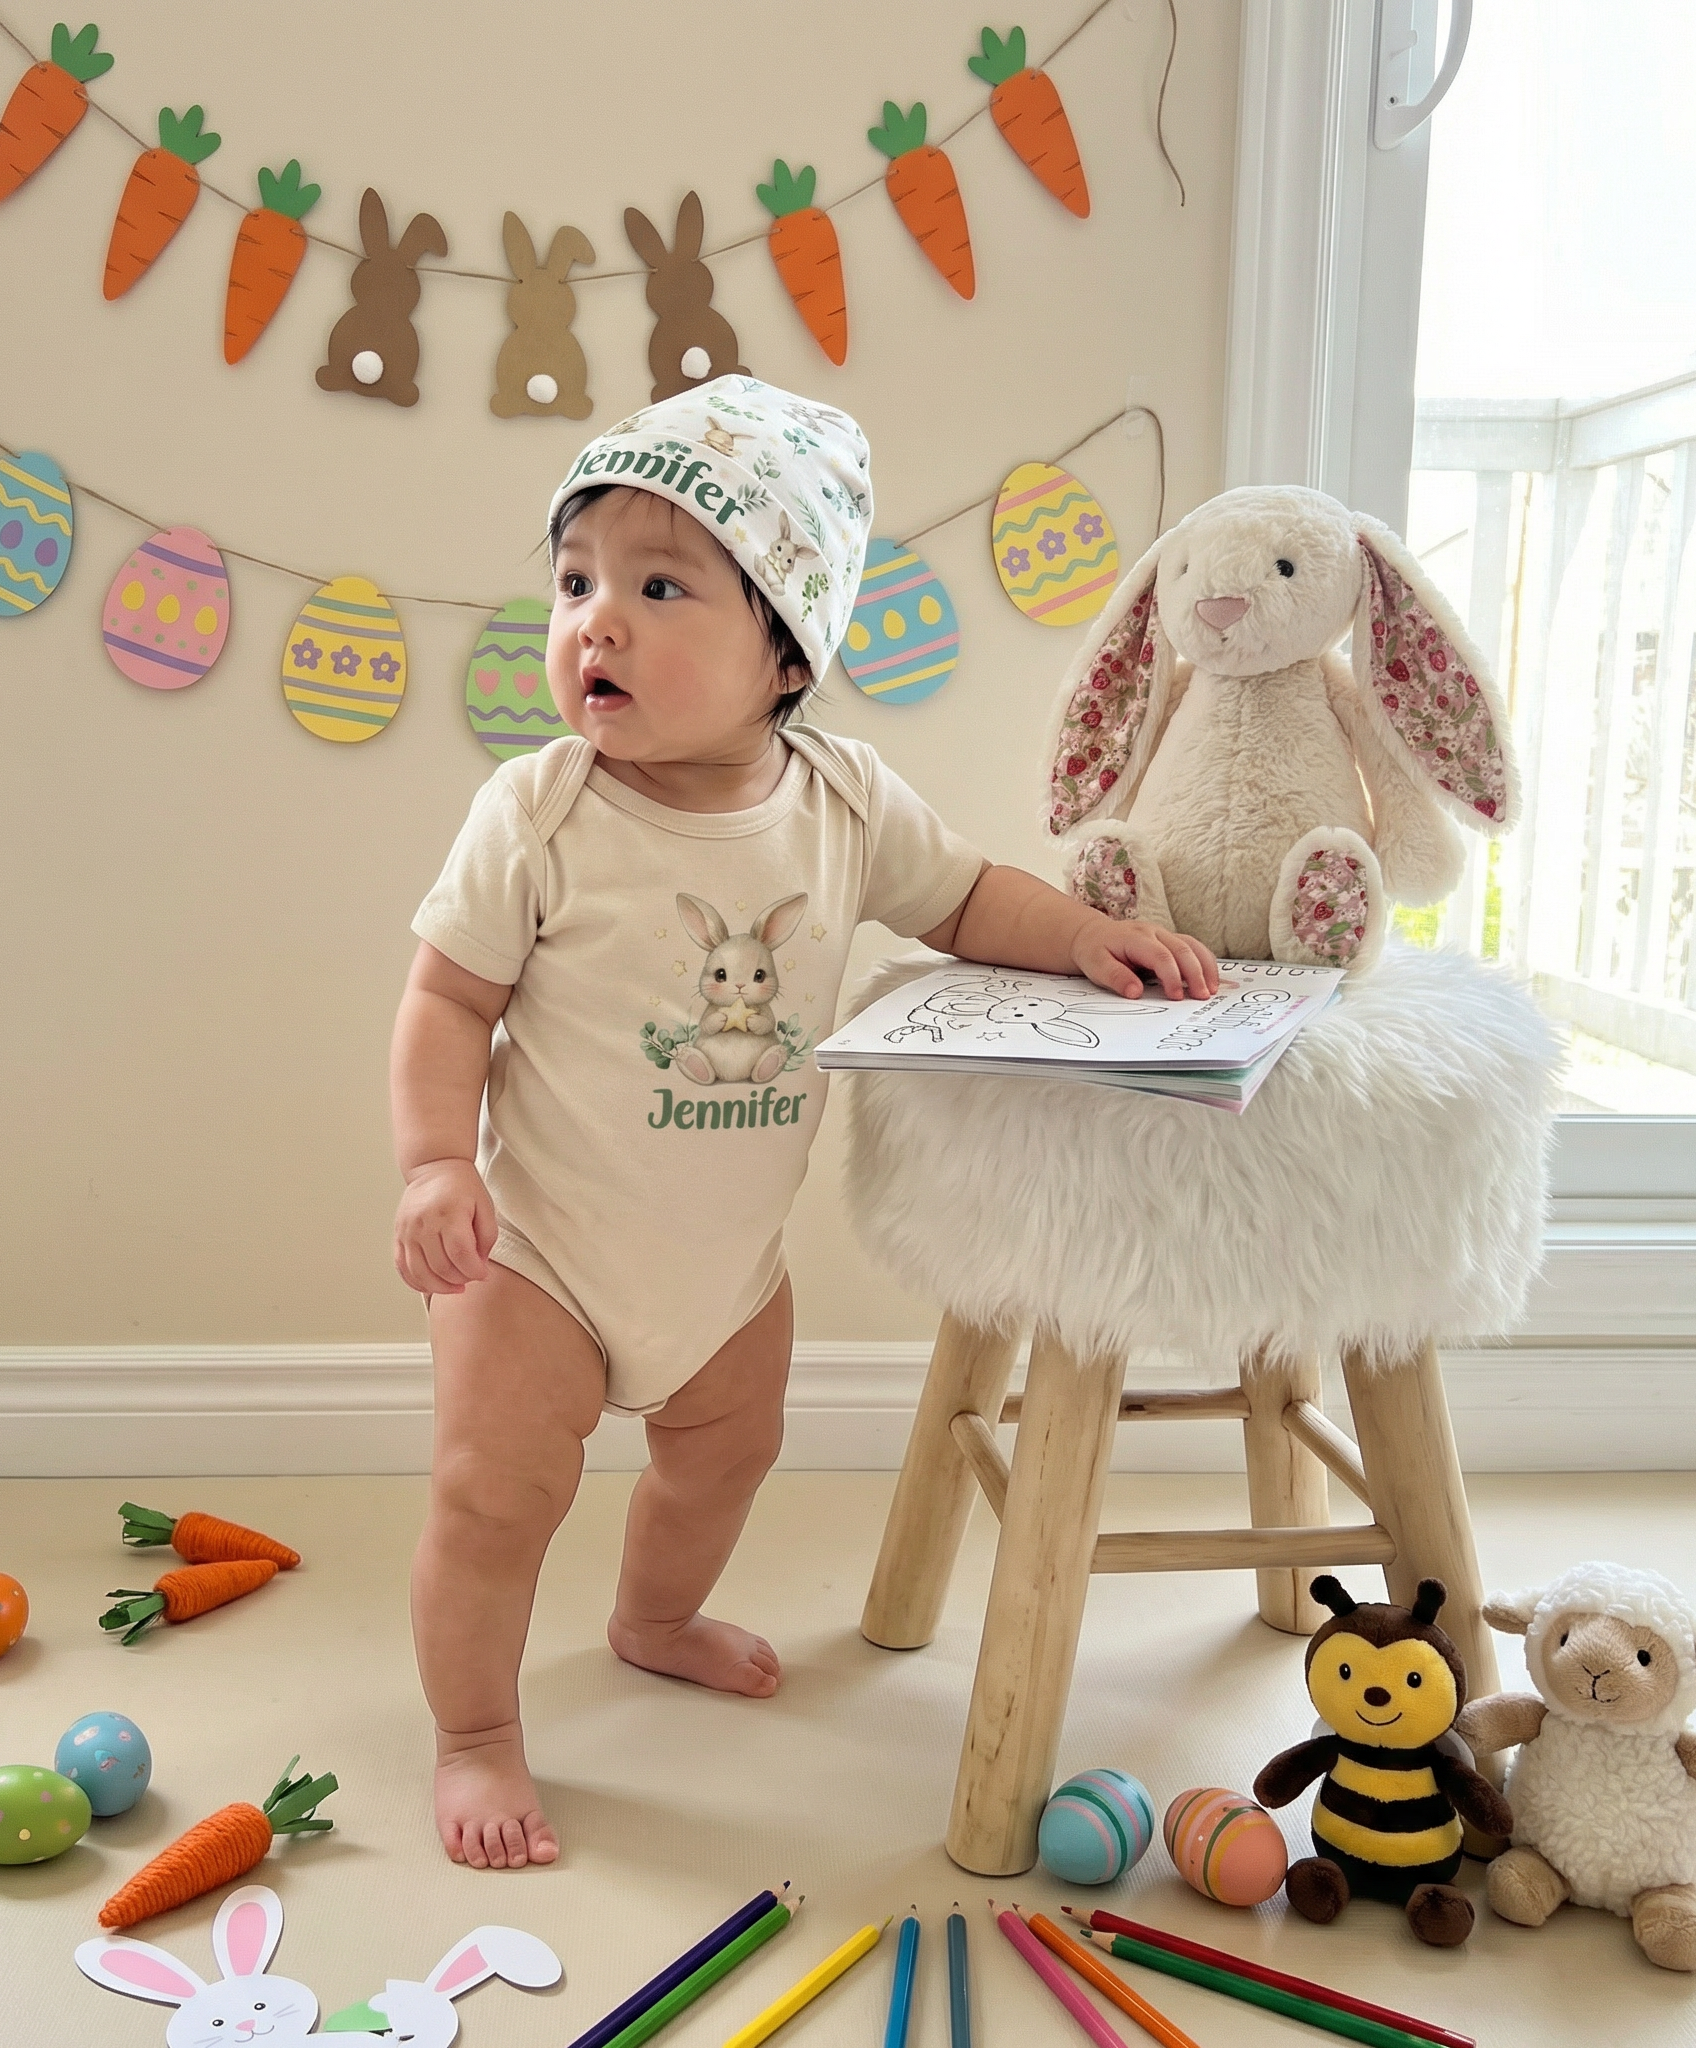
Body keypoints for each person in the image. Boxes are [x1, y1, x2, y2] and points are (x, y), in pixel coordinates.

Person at [392, 376, 1217, 1869]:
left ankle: (652, 1617)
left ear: (786, 651)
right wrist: (437, 1162)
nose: (597, 623)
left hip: (727, 1273)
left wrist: (1082, 937)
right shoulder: (542, 812)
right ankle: (473, 1730)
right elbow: (447, 1002)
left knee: (726, 1452)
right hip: (538, 1260)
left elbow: (965, 898)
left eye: (659, 586)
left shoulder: (841, 801)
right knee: (492, 1496)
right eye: (576, 583)